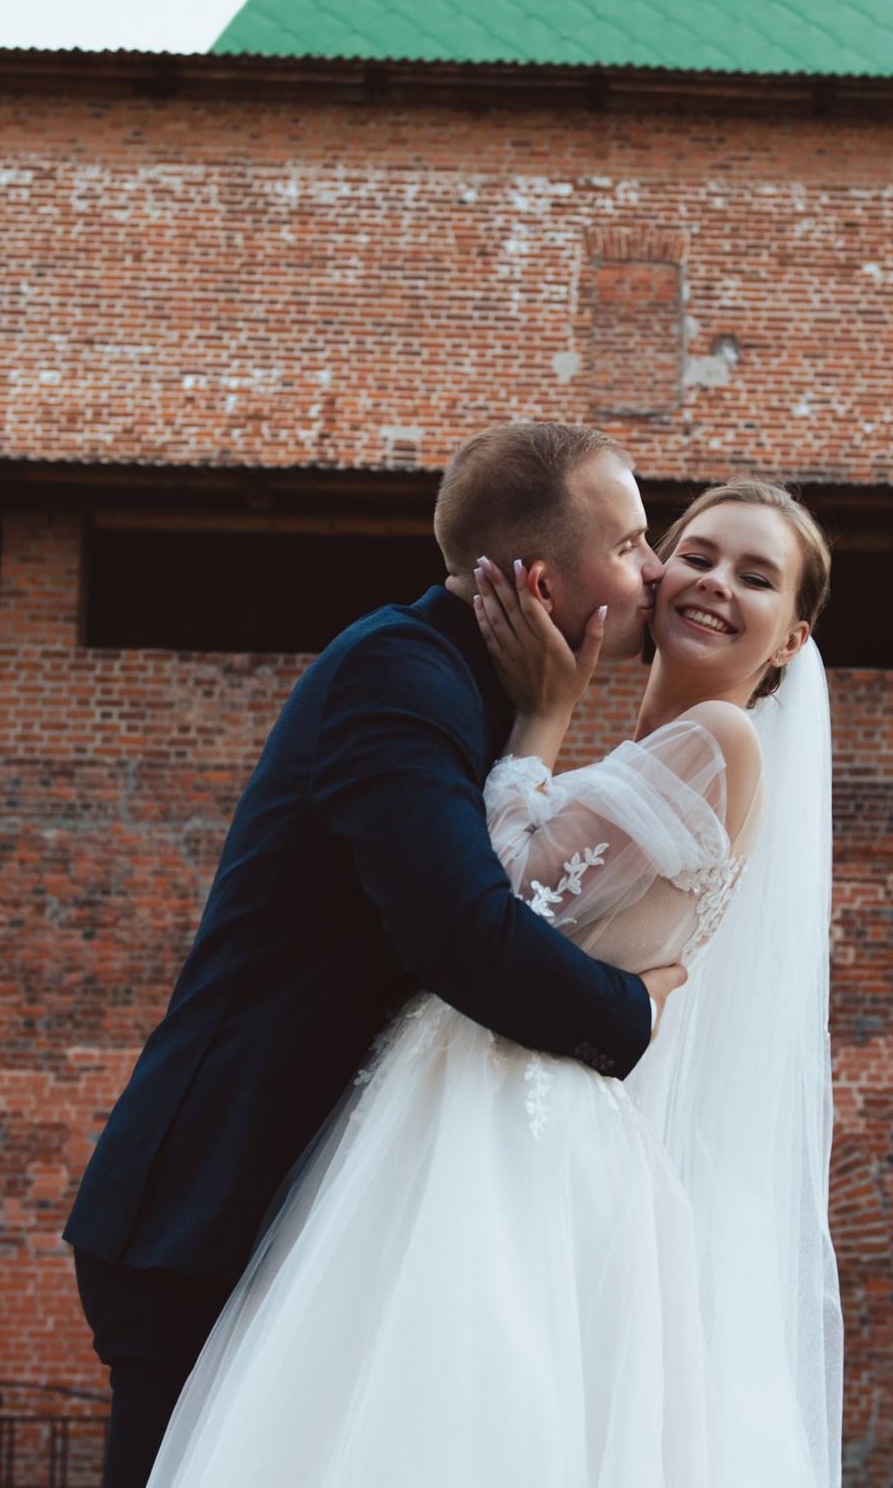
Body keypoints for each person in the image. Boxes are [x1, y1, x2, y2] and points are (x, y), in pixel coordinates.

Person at [145, 478, 840, 1488]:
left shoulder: (718, 739)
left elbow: (507, 902)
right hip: (464, 1098)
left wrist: (540, 718)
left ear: (787, 639)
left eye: (755, 575)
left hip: (513, 1123)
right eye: (692, 552)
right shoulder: (647, 757)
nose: (711, 582)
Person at [63, 422, 686, 1488]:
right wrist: (638, 1009)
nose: (659, 569)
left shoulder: (482, 692)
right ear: (540, 581)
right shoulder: (398, 674)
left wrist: (546, 715)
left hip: (319, 1206)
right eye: (631, 543)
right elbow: (464, 937)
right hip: (216, 1198)